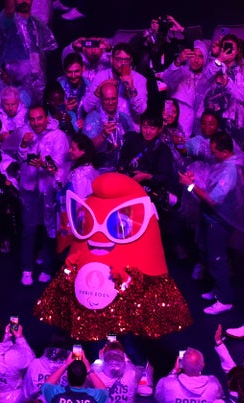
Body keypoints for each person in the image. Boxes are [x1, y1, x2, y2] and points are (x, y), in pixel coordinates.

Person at [179, 131, 244, 315]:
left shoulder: (230, 170)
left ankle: (225, 299)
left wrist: (190, 185)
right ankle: (218, 290)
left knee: (218, 260)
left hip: (219, 221)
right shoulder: (223, 164)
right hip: (211, 218)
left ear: (225, 152)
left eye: (215, 152)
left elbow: (213, 200)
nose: (212, 155)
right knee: (211, 256)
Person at [16, 104, 70, 286]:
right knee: (28, 229)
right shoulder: (24, 132)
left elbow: (61, 166)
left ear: (47, 118)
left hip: (50, 190)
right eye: (32, 119)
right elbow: (20, 158)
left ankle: (47, 267)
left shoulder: (59, 136)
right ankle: (26, 268)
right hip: (30, 189)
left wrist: (44, 165)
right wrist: (23, 145)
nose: (36, 122)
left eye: (39, 118)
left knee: (50, 230)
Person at [0, 0, 58, 103]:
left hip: (35, 79)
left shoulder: (37, 23)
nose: (23, 1)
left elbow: (47, 49)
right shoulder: (7, 18)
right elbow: (9, 11)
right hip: (11, 77)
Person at [81, 43, 148, 129]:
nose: (123, 64)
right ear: (112, 60)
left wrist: (131, 88)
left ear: (131, 61)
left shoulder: (140, 79)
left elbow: (141, 110)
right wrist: (99, 90)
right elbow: (86, 108)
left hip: (130, 130)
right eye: (119, 59)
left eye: (126, 60)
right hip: (103, 127)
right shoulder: (101, 77)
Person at [81, 81, 134, 171]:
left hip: (122, 171)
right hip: (99, 172)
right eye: (106, 99)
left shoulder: (125, 118)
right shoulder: (92, 118)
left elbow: (133, 144)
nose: (110, 102)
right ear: (101, 99)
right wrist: (103, 135)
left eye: (113, 99)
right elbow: (85, 148)